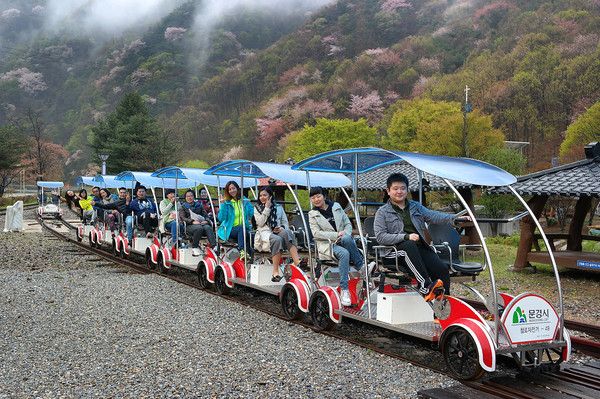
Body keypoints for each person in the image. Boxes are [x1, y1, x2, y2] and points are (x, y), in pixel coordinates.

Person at [374, 173, 470, 301]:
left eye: (402, 188)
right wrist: (405, 237)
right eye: (395, 189)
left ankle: (443, 308)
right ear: (388, 191)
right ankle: (425, 287)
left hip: (417, 250)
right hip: (393, 252)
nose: (399, 191)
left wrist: (455, 219)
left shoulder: (415, 207)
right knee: (408, 246)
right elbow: (381, 237)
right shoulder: (382, 212)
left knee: (442, 269)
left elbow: (435, 216)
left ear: (407, 190)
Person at [308, 187, 373, 307]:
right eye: (313, 198)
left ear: (324, 196)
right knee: (344, 253)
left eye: (318, 196)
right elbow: (316, 233)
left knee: (347, 238)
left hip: (344, 241)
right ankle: (345, 289)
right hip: (327, 244)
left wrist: (344, 235)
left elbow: (347, 223)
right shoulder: (313, 214)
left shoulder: (336, 207)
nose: (316, 199)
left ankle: (360, 268)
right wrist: (336, 235)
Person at [254, 186, 302, 282]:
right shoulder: (257, 208)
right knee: (277, 239)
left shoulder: (278, 208)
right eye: (261, 196)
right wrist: (267, 208)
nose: (262, 197)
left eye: (265, 195)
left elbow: (285, 224)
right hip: (264, 234)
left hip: (277, 231)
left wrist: (281, 228)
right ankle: (275, 272)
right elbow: (259, 223)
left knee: (287, 231)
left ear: (270, 196)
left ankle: (297, 262)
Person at [218, 181, 254, 260]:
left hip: (244, 228)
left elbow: (252, 213)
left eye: (233, 188)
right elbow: (221, 218)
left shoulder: (244, 201)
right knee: (241, 229)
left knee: (251, 235)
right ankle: (241, 251)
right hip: (230, 229)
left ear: (237, 188)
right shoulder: (227, 203)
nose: (232, 191)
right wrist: (223, 205)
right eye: (230, 189)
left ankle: (250, 258)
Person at [179, 189, 216, 256]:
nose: (189, 198)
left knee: (208, 227)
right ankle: (195, 246)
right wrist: (192, 222)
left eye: (191, 196)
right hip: (189, 225)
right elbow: (183, 218)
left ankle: (214, 247)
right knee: (198, 228)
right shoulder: (183, 207)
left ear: (194, 197)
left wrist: (206, 221)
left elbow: (206, 215)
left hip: (200, 223)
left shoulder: (199, 205)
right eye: (187, 196)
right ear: (185, 198)